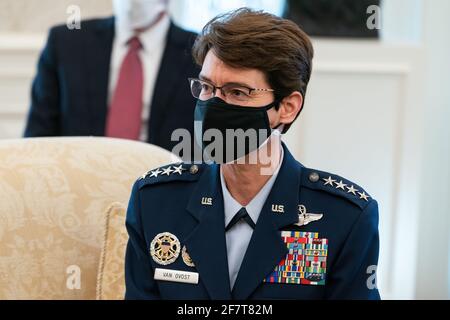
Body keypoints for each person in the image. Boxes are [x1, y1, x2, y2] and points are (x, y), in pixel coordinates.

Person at [124, 8, 380, 300]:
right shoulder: (156, 201)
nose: (214, 106)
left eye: (237, 92)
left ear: (287, 107)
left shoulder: (345, 218)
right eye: (206, 87)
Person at [24, 0, 199, 152]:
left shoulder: (200, 54)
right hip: (77, 181)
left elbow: (203, 148)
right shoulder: (66, 43)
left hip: (165, 185)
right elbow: (38, 138)